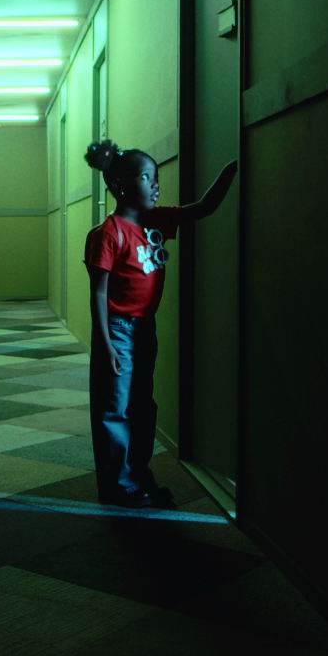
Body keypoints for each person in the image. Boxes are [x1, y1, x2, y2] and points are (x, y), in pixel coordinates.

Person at [83, 139, 239, 508]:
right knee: (114, 409)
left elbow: (204, 207)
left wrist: (234, 167)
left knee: (141, 406)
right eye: (146, 177)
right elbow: (99, 295)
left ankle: (137, 475)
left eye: (157, 177)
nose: (156, 184)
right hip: (118, 331)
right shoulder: (107, 234)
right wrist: (105, 346)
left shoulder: (157, 221)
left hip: (144, 328)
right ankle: (117, 487)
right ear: (120, 185)